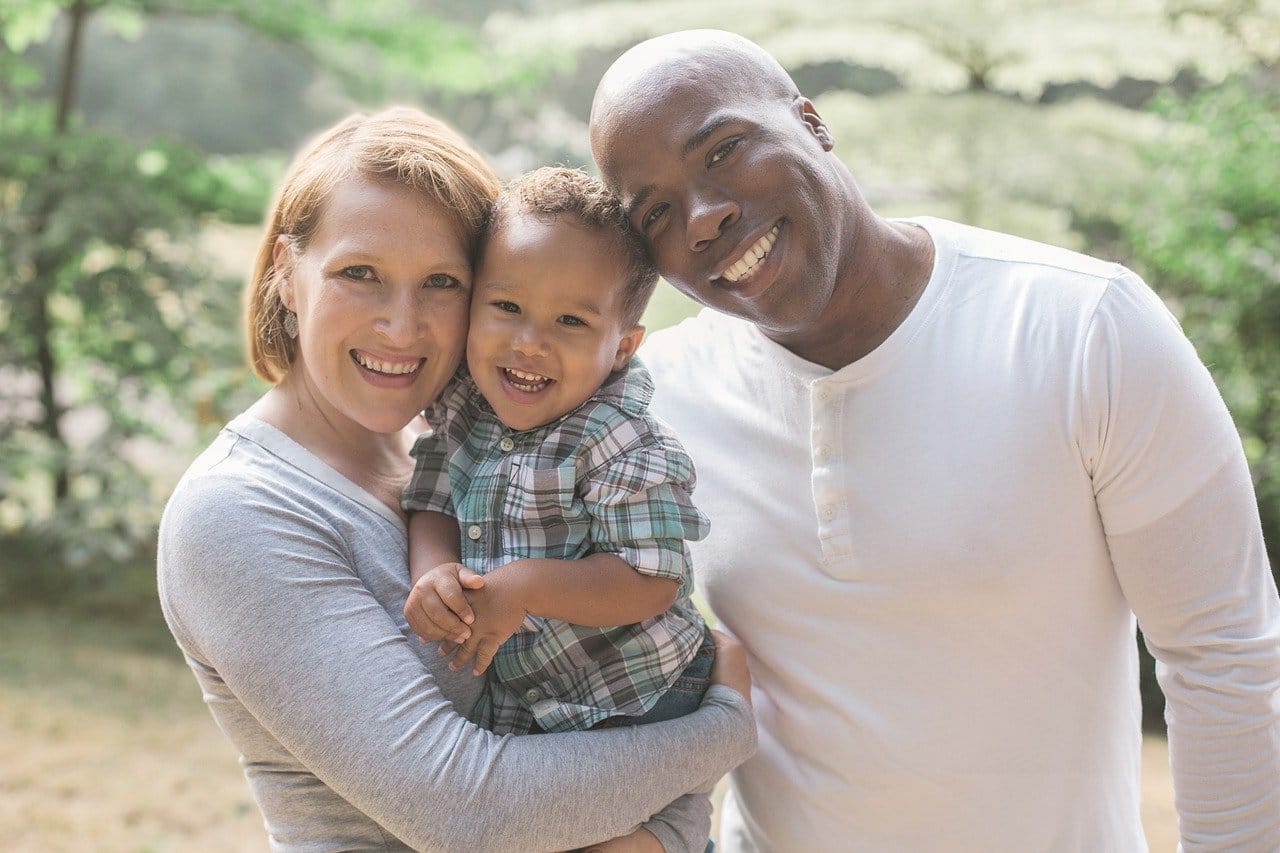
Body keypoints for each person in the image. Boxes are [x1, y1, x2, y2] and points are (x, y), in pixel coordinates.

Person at [588, 29, 1280, 852]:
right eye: (656, 212)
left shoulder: (1084, 327)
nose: (704, 218)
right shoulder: (653, 406)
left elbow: (1226, 659)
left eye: (726, 150)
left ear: (811, 123)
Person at [157, 107, 755, 853]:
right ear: (286, 271)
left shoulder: (463, 445)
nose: (402, 327)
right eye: (359, 274)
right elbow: (469, 811)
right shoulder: (239, 511)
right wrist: (722, 731)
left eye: (442, 281)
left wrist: (668, 829)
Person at [401, 165, 715, 738]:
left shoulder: (621, 440)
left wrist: (523, 586)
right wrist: (435, 572)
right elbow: (433, 499)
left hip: (640, 691)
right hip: (536, 700)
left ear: (621, 347)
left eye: (571, 320)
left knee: (614, 826)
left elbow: (650, 580)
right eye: (507, 308)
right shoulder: (464, 408)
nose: (530, 343)